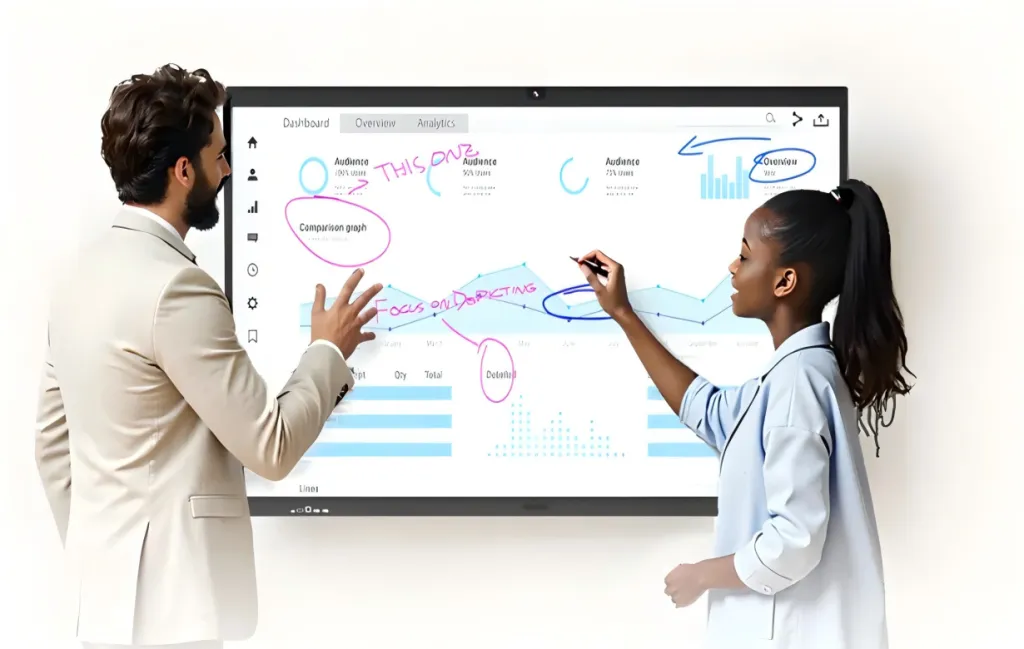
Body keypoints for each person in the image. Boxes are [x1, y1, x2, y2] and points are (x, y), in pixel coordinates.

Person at [33, 64, 383, 649]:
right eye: (219, 155)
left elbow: (50, 447)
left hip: (97, 615)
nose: (227, 169)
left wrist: (105, 562)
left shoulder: (76, 278)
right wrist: (328, 347)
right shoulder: (177, 287)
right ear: (182, 170)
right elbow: (269, 447)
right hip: (175, 618)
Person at [575, 180, 913, 649]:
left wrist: (703, 575)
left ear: (784, 281)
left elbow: (795, 539)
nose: (732, 268)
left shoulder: (797, 384)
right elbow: (711, 413)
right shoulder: (798, 374)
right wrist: (624, 313)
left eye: (746, 255)